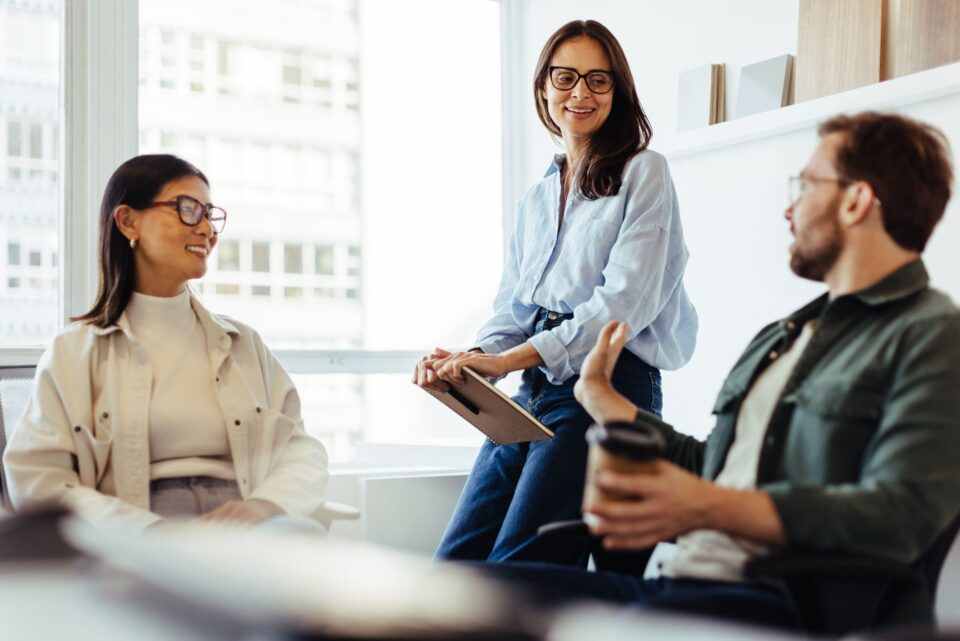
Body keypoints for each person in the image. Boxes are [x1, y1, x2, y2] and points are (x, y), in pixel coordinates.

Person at [473, 111, 960, 630]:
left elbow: (898, 518)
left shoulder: (930, 333)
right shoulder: (783, 337)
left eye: (805, 185)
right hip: (682, 586)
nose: (789, 209)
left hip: (779, 604)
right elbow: (717, 469)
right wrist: (601, 400)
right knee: (480, 592)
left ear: (856, 200)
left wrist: (706, 507)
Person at [415, 19, 697, 562]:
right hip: (536, 385)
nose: (580, 93)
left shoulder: (646, 173)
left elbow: (620, 309)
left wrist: (508, 361)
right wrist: (473, 359)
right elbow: (515, 308)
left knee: (521, 566)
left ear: (618, 91)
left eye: (598, 79)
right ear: (544, 86)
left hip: (609, 381)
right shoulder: (538, 196)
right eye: (565, 76)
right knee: (456, 564)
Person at [3, 154, 329, 532]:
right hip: (138, 535)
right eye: (188, 209)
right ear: (128, 221)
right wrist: (146, 530)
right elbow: (39, 481)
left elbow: (300, 450)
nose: (207, 228)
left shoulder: (244, 345)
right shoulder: (74, 353)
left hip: (243, 529)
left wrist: (262, 507)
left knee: (301, 535)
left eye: (210, 214)